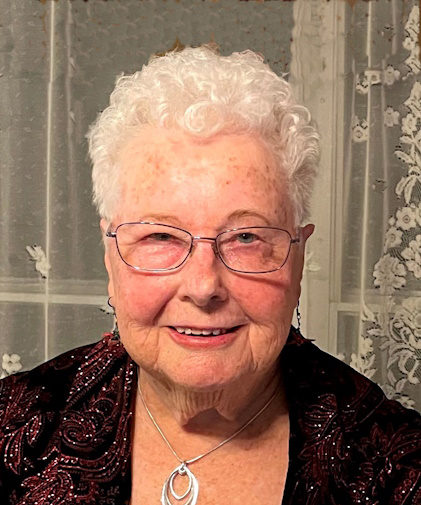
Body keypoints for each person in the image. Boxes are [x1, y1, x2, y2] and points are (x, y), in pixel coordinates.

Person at [0, 45, 419, 505]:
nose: (204, 287)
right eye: (161, 236)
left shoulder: (398, 470)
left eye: (246, 238)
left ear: (298, 257)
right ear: (110, 256)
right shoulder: (12, 429)